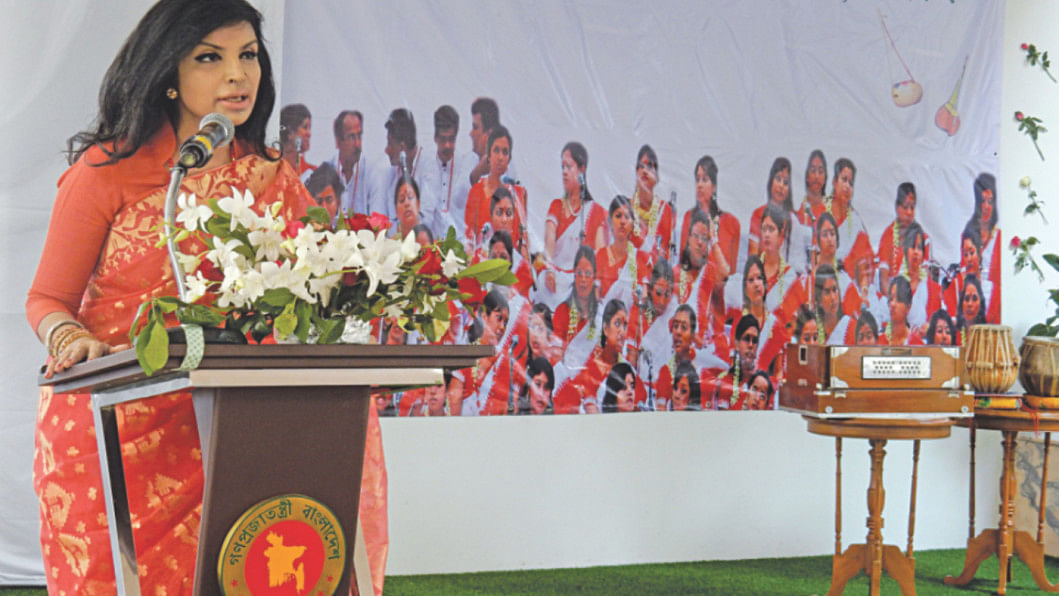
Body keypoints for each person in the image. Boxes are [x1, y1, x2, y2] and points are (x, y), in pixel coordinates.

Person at [24, 2, 386, 594]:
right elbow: (46, 298)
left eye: (249, 56)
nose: (237, 75)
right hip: (124, 420)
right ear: (169, 73)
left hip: (244, 424)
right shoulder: (107, 171)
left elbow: (319, 284)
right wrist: (72, 338)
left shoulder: (271, 178)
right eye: (210, 58)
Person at [540, 141, 608, 307]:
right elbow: (549, 244)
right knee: (541, 282)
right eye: (562, 167)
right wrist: (549, 269)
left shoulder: (596, 211)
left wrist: (595, 283)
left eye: (569, 167)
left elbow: (600, 254)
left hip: (582, 281)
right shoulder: (556, 206)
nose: (564, 172)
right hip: (556, 277)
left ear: (582, 169)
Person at [464, 125, 527, 251]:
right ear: (488, 155)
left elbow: (523, 242)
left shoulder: (518, 194)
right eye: (496, 150)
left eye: (505, 152)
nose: (500, 157)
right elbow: (469, 239)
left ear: (509, 158)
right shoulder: (476, 191)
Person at [368, 108, 435, 225]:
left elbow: (426, 219)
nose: (386, 150)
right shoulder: (391, 174)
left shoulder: (430, 168)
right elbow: (381, 216)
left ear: (402, 147)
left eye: (390, 144)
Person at [679, 155, 741, 274]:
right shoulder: (688, 217)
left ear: (714, 186)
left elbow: (732, 274)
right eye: (697, 179)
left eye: (705, 179)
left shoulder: (732, 223)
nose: (699, 185)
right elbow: (683, 265)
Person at [419, 105, 471, 237]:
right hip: (429, 243)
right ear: (435, 137)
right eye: (443, 139)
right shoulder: (424, 166)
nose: (447, 145)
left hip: (459, 243)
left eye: (451, 139)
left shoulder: (464, 169)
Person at [596, 195, 652, 306]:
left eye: (627, 216)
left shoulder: (642, 259)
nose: (622, 221)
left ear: (633, 224)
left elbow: (643, 300)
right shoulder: (600, 256)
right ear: (610, 221)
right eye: (618, 216)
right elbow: (595, 298)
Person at [876, 182, 930, 293]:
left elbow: (925, 279)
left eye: (912, 207)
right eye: (905, 207)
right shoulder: (888, 236)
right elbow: (883, 280)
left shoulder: (923, 239)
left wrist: (910, 297)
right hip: (892, 295)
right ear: (897, 207)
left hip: (916, 295)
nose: (909, 212)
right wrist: (895, 299)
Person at [629, 144, 675, 261]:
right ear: (636, 171)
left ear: (657, 176)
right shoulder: (626, 208)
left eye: (649, 166)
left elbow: (667, 251)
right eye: (641, 166)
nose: (645, 170)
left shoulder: (665, 210)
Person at [325, 109, 372, 217]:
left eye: (359, 135)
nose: (358, 144)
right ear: (338, 142)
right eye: (351, 137)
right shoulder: (326, 172)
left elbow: (378, 221)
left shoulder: (371, 173)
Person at [968, 173, 1001, 323]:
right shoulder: (968, 234)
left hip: (993, 304)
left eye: (990, 201)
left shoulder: (999, 236)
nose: (986, 206)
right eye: (982, 201)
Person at [552, 246, 599, 347]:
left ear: (594, 277)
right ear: (574, 275)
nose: (583, 279)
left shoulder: (600, 314)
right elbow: (555, 350)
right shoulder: (562, 311)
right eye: (579, 273)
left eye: (588, 274)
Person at [881, 276, 924, 346]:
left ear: (908, 307)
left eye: (899, 299)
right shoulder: (878, 342)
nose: (892, 304)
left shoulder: (917, 345)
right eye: (891, 299)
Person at [279, 102, 313, 177]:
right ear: (290, 132)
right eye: (305, 127)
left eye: (309, 128)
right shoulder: (274, 169)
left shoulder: (312, 173)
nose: (309, 134)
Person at [797, 150, 828, 227]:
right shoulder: (800, 211)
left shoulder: (830, 210)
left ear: (825, 177)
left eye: (820, 171)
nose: (816, 176)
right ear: (807, 177)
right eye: (813, 171)